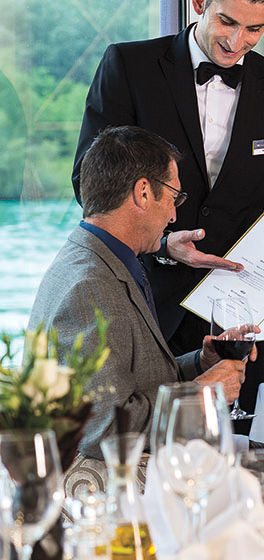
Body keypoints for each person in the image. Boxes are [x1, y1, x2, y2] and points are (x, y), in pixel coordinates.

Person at [71, 0, 264, 420]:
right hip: (149, 302)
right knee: (145, 439)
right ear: (199, 0)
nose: (237, 42)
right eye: (227, 22)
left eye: (255, 29)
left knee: (242, 448)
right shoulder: (129, 67)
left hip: (241, 316)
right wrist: (164, 243)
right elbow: (90, 184)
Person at [30, 126, 251, 461]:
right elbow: (103, 430)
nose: (175, 215)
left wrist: (199, 364)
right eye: (174, 197)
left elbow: (133, 382)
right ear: (143, 193)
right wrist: (203, 392)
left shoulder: (103, 261)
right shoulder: (90, 287)